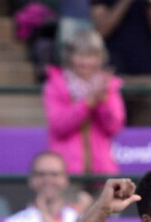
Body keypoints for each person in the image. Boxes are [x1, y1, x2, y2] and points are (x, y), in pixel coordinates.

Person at [43, 29, 126, 176]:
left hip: (102, 171)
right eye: (80, 55)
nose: (86, 62)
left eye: (92, 56)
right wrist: (88, 102)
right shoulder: (55, 85)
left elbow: (114, 126)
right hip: (66, 173)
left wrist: (103, 101)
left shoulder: (108, 85)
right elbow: (58, 125)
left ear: (101, 58)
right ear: (70, 57)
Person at [90, 0, 151, 126]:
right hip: (112, 77)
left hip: (146, 78)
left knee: (147, 138)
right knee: (110, 130)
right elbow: (102, 30)